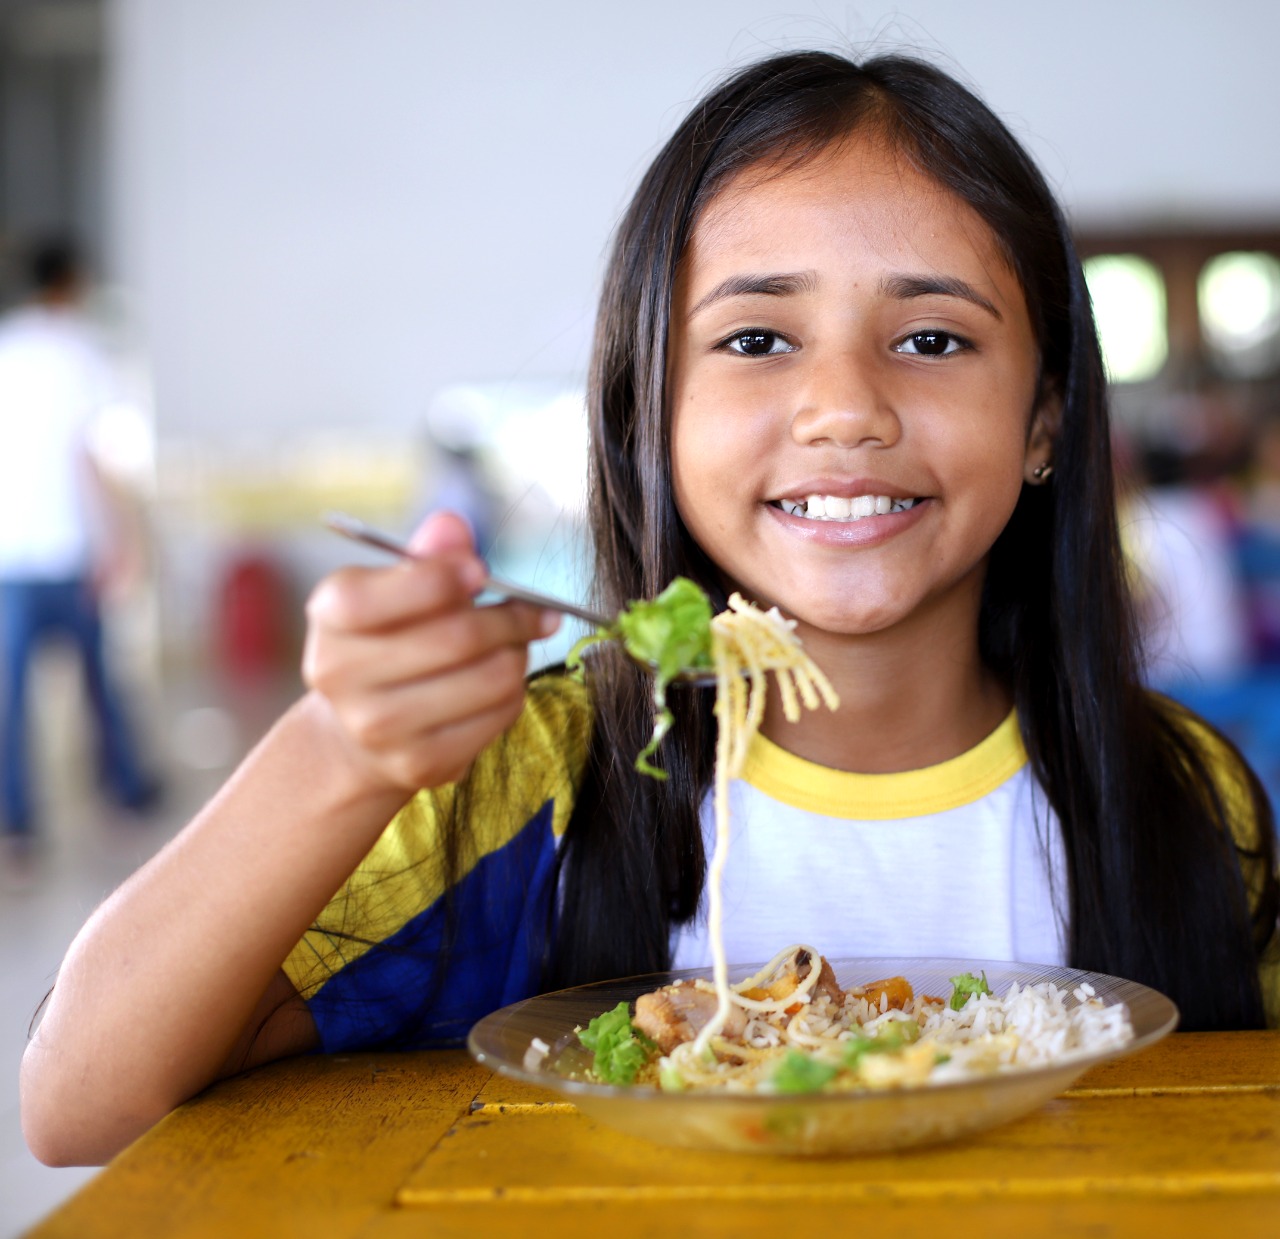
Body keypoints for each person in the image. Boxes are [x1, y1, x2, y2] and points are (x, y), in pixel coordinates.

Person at [21, 51, 1279, 1167]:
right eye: (755, 341)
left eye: (932, 340)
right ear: (647, 416)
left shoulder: (1182, 796)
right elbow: (79, 1106)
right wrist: (338, 754)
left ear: (1045, 418)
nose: (843, 408)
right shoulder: (532, 778)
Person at [0, 237, 159, 865]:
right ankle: (124, 792)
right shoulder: (79, 351)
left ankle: (16, 823)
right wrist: (121, 541)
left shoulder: (6, 348)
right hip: (69, 546)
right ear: (70, 280)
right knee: (101, 679)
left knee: (11, 697)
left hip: (10, 554)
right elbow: (93, 456)